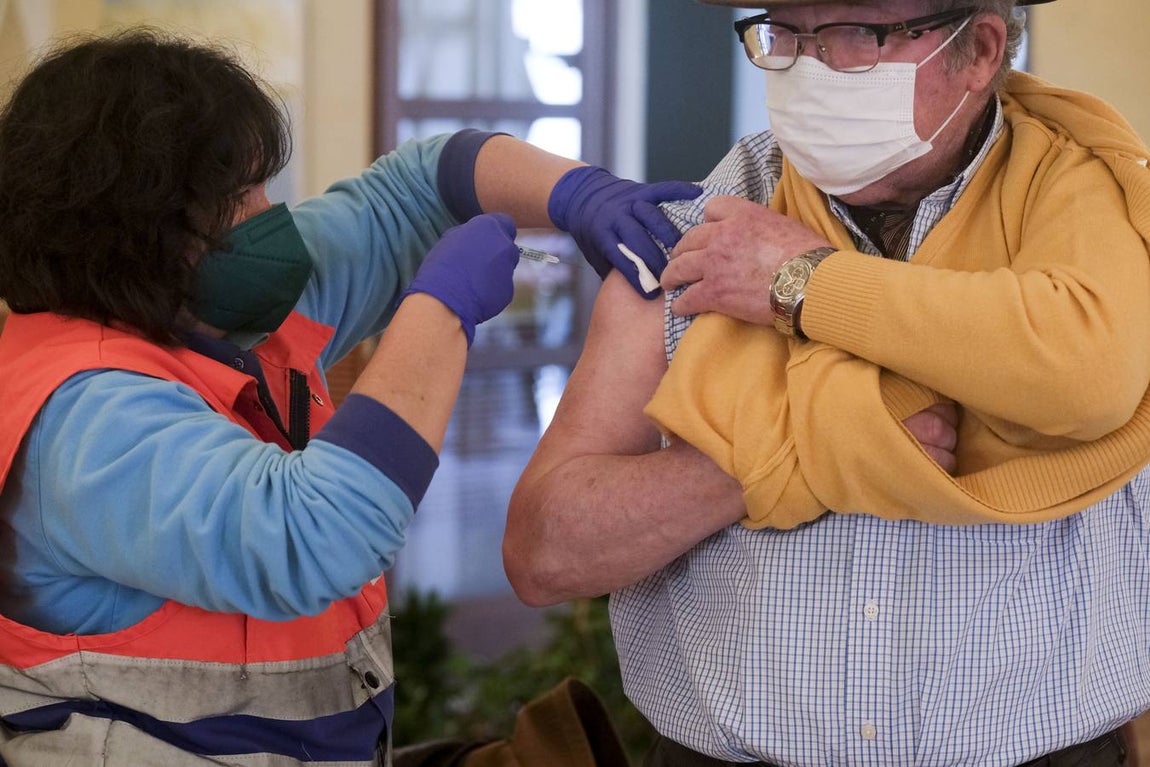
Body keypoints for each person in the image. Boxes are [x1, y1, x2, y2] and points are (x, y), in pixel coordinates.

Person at [0, 29, 698, 766]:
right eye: (239, 199)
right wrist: (440, 307)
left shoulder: (209, 310)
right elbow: (311, 534)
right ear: (138, 231)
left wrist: (578, 193)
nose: (271, 216)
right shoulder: (84, 422)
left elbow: (418, 189)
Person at [505, 0, 1150, 765]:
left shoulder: (1089, 211)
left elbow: (1086, 376)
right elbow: (544, 549)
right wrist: (806, 446)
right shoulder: (694, 238)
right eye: (785, 31)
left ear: (978, 50)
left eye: (855, 33)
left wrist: (804, 280)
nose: (809, 65)